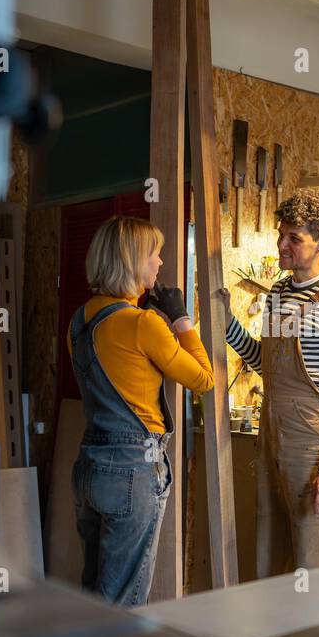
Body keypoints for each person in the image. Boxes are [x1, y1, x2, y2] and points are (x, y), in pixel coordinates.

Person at [218, 190, 319, 575]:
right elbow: (264, 363)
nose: (281, 245)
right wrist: (227, 324)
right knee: (271, 547)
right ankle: (277, 634)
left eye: (294, 239)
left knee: (312, 554)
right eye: (280, 234)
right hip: (271, 433)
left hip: (310, 442)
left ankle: (317, 635)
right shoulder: (279, 294)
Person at [68, 216, 213, 606]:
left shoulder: (79, 321)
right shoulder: (143, 324)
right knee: (124, 602)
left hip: (90, 467)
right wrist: (181, 319)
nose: (161, 263)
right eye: (154, 253)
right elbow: (203, 378)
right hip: (132, 469)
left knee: (95, 593)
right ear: (132, 262)